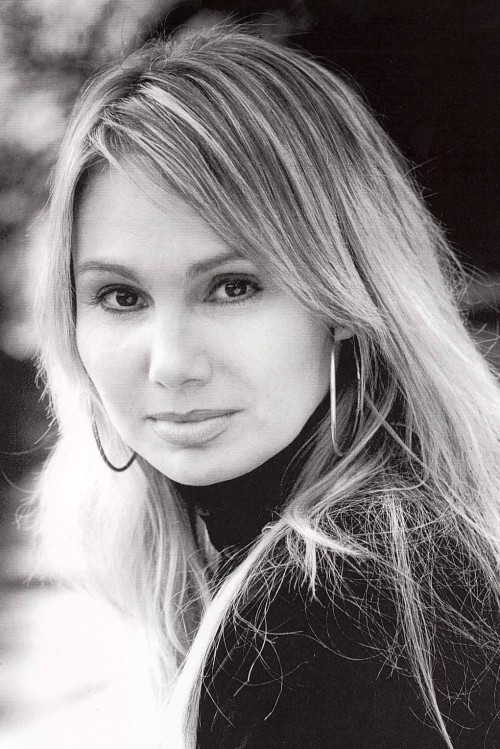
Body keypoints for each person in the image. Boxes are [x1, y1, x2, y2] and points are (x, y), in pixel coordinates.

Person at [34, 23, 500, 749]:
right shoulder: (407, 550)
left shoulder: (330, 614)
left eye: (233, 286)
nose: (170, 364)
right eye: (121, 296)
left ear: (344, 300)